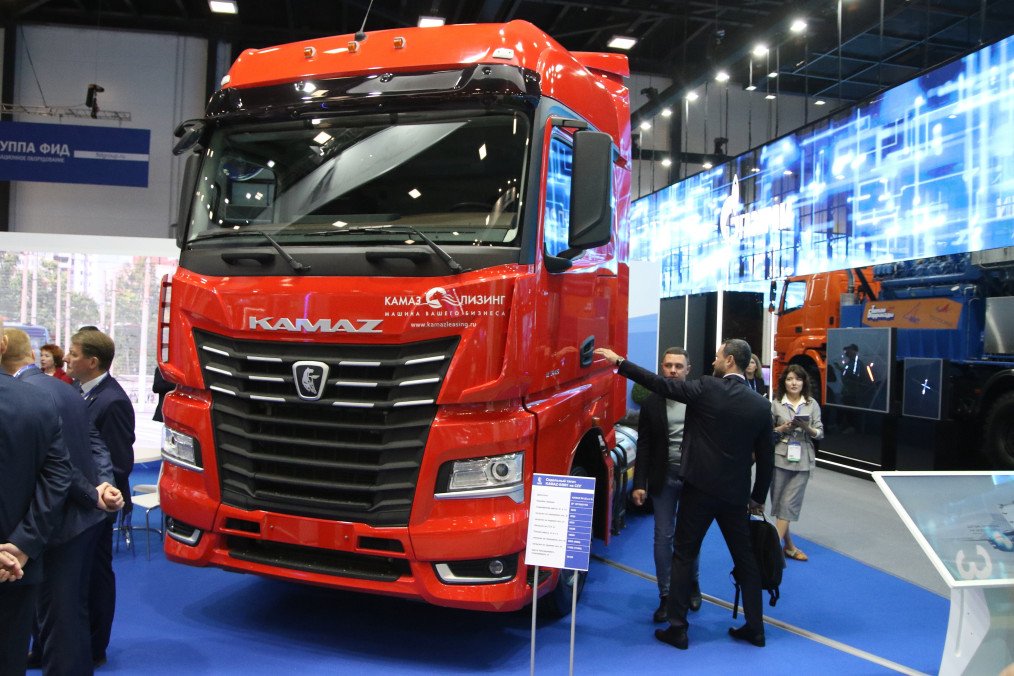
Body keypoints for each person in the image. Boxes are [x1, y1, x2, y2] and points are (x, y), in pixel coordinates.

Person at [596, 339, 775, 650]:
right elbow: (767, 459)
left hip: (699, 490)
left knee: (683, 555)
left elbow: (657, 383)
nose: (715, 360)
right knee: (745, 560)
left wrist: (620, 362)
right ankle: (755, 629)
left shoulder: (706, 387)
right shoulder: (761, 406)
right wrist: (757, 498)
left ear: (730, 361)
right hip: (735, 495)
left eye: (719, 355)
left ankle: (678, 628)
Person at [4, 328, 126, 674]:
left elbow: (58, 465)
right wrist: (103, 486)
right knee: (68, 609)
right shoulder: (64, 388)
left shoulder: (26, 395)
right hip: (80, 521)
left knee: (56, 614)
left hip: (51, 523)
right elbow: (93, 443)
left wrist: (94, 494)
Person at [0, 320, 74, 675]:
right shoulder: (37, 402)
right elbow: (58, 476)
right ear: (3, 346)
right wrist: (21, 545)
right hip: (16, 567)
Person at [64, 328, 136, 666]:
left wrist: (99, 499)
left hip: (99, 507)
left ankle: (95, 647)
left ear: (92, 362)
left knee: (96, 576)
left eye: (74, 354)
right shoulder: (80, 391)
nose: (67, 358)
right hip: (80, 502)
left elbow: (119, 462)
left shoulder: (113, 401)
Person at [631, 347, 701, 622]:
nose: (673, 370)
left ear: (688, 369)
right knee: (663, 537)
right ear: (662, 367)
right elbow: (644, 445)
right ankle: (666, 595)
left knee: (690, 536)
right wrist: (639, 483)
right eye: (668, 365)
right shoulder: (650, 403)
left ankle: (692, 583)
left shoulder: (698, 399)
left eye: (678, 366)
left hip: (694, 479)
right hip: (663, 480)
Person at [770, 364, 823, 563]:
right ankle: (790, 547)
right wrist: (782, 428)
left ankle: (770, 550)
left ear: (804, 383)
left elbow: (820, 432)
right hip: (779, 458)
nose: (794, 383)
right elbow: (767, 432)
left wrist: (807, 428)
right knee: (779, 505)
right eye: (790, 379)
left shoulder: (812, 404)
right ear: (784, 382)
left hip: (803, 459)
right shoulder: (775, 404)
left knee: (789, 504)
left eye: (798, 379)